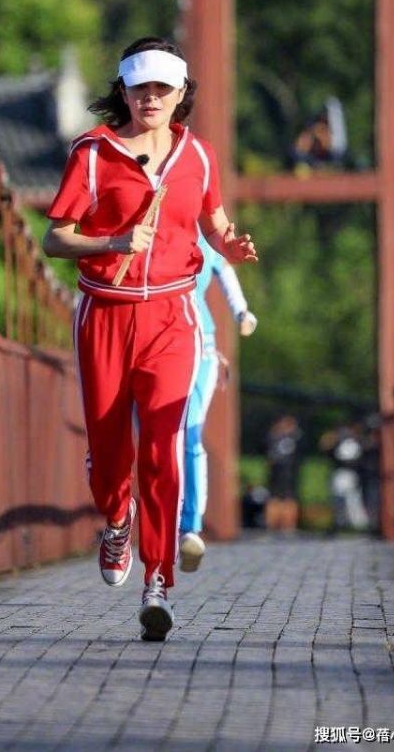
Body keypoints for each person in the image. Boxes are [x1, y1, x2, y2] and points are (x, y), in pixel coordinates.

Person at [43, 36, 258, 641]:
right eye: (140, 88)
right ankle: (117, 519)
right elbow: (55, 238)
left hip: (172, 317)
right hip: (105, 315)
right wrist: (111, 242)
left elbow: (215, 225)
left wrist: (232, 246)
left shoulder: (200, 156)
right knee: (111, 456)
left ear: (181, 92)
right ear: (124, 90)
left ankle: (157, 581)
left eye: (163, 88)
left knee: (164, 447)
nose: (151, 98)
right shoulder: (93, 153)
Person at [179, 233, 257, 572]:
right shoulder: (146, 227)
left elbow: (224, 270)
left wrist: (242, 312)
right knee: (156, 437)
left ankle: (190, 526)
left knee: (189, 431)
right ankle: (158, 519)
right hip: (155, 343)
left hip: (201, 347)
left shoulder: (202, 235)